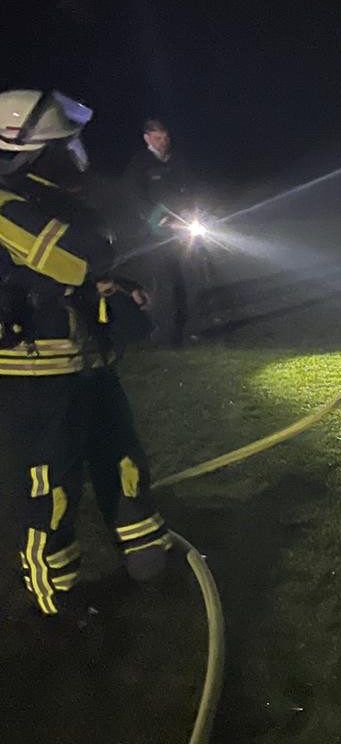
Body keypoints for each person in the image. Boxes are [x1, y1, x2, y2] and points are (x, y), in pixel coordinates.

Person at [1, 89, 168, 620]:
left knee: (122, 457)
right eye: (67, 144)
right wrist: (98, 264)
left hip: (87, 359)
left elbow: (88, 267)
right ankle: (57, 594)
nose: (78, 153)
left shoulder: (54, 201)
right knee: (50, 485)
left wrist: (116, 286)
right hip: (35, 372)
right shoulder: (6, 206)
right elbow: (79, 256)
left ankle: (147, 556)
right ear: (33, 153)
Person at [122, 118, 197, 347]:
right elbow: (135, 195)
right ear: (147, 139)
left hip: (181, 229)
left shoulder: (177, 161)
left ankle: (185, 327)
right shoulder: (140, 163)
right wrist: (157, 218)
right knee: (163, 281)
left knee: (185, 278)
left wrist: (190, 210)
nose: (163, 142)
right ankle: (163, 332)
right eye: (157, 138)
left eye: (165, 137)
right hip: (154, 233)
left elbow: (188, 189)